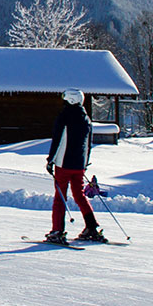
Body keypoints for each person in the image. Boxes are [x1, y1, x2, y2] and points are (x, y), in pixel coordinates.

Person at [45, 88, 105, 243]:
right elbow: (88, 144)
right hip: (79, 164)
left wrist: (50, 160)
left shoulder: (64, 116)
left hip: (63, 164)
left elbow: (57, 140)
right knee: (79, 195)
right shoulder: (86, 119)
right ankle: (91, 227)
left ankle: (57, 230)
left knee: (60, 197)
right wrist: (84, 163)